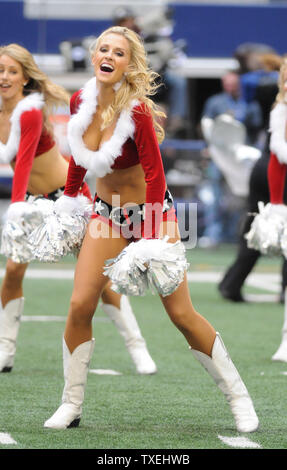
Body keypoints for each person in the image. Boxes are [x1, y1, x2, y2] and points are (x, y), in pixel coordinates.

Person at [43, 26, 259, 433]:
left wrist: (150, 238)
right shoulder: (81, 100)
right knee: (79, 304)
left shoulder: (137, 111)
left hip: (152, 212)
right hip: (107, 213)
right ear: (94, 57)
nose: (109, 56)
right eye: (103, 49)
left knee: (180, 313)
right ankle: (71, 404)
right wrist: (70, 201)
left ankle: (238, 398)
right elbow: (78, 157)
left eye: (119, 52)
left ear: (130, 64)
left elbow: (156, 176)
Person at [0, 43, 156, 376]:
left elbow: (24, 163)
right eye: (0, 71)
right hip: (30, 203)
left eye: (12, 71)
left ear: (25, 77)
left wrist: (14, 207)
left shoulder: (29, 111)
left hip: (66, 198)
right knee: (13, 271)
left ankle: (137, 347)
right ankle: (5, 351)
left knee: (98, 282)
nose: (5, 77)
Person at [218, 56, 287, 304]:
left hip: (263, 166)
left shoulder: (275, 95)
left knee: (254, 228)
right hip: (277, 169)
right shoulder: (275, 96)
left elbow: (251, 84)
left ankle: (231, 284)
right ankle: (284, 291)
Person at [199, 71, 263, 248]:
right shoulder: (215, 102)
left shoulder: (249, 104)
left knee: (243, 197)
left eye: (233, 84)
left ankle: (239, 233)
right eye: (227, 83)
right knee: (215, 195)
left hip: (242, 158)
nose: (230, 87)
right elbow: (206, 127)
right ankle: (213, 234)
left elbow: (256, 130)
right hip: (219, 157)